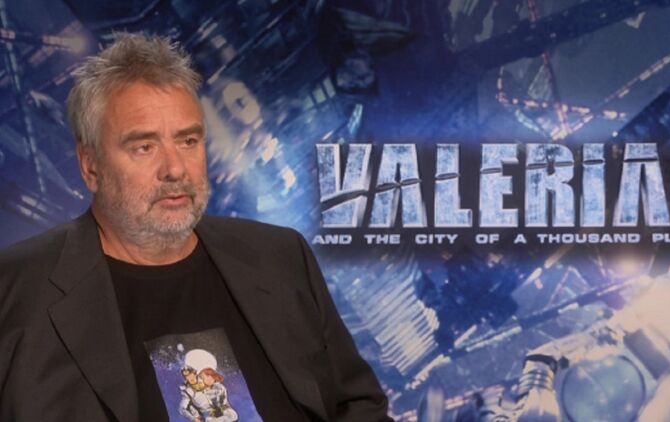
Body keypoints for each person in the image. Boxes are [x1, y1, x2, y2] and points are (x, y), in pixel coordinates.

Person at [0, 33, 391, 421]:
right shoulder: (14, 293)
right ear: (90, 166)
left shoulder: (282, 255)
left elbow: (357, 408)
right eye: (144, 147)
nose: (175, 169)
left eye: (188, 141)